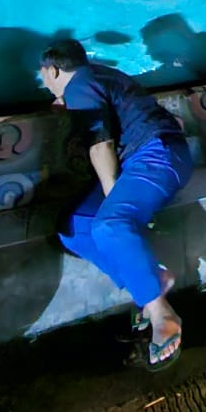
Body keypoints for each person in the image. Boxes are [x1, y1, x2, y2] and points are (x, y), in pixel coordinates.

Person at [39, 39, 190, 371]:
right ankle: (153, 280)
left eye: (44, 75)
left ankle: (162, 314)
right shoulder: (95, 78)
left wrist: (113, 202)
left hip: (159, 157)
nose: (43, 82)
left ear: (54, 70)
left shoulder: (80, 86)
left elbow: (100, 146)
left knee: (110, 225)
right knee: (74, 227)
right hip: (147, 159)